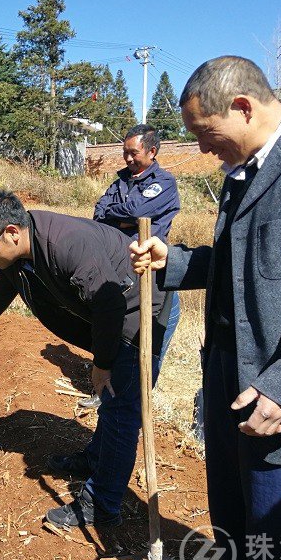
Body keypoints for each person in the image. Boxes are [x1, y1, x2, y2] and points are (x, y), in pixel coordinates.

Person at [130, 56, 281, 560]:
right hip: (229, 379)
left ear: (243, 107)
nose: (203, 150)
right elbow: (240, 264)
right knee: (235, 525)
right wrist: (175, 262)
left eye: (206, 134)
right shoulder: (242, 170)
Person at [0, 188, 171, 529]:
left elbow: (110, 305)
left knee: (121, 408)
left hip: (140, 309)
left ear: (11, 233)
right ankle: (94, 459)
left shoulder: (66, 244)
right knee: (114, 402)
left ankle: (101, 504)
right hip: (110, 313)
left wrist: (102, 365)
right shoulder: (19, 256)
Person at [80, 124, 181, 409]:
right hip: (118, 270)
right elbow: (99, 213)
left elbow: (138, 212)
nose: (127, 159)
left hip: (150, 274)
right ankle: (107, 394)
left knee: (142, 347)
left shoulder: (164, 182)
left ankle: (134, 403)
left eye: (133, 153)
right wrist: (121, 217)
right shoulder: (120, 180)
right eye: (124, 152)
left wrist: (123, 215)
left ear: (152, 151)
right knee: (114, 330)